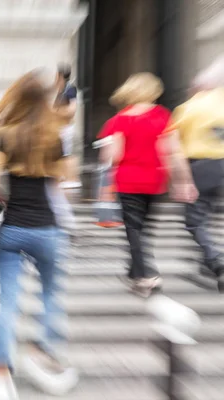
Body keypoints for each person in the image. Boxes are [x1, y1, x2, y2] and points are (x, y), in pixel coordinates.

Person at [0, 71, 78, 400]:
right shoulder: (56, 135)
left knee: (7, 301)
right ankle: (42, 350)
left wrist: (4, 194)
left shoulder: (5, 135)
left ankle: (3, 373)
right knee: (50, 295)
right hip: (47, 230)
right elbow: (67, 180)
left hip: (12, 229)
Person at [102, 73, 196, 297]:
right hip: (154, 180)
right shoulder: (162, 116)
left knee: (133, 230)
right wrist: (184, 181)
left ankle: (146, 276)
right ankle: (134, 272)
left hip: (127, 180)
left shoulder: (119, 119)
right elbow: (173, 152)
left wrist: (105, 178)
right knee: (144, 228)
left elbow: (115, 155)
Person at [168, 57, 224, 292]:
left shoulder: (188, 108)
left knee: (195, 221)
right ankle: (206, 262)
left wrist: (182, 181)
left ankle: (215, 261)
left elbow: (174, 149)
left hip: (201, 166)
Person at [53, 63, 80, 190]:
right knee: (62, 152)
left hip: (66, 127)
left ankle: (72, 179)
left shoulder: (70, 89)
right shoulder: (62, 90)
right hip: (61, 126)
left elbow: (72, 109)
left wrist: (57, 112)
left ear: (60, 75)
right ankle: (64, 176)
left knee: (66, 153)